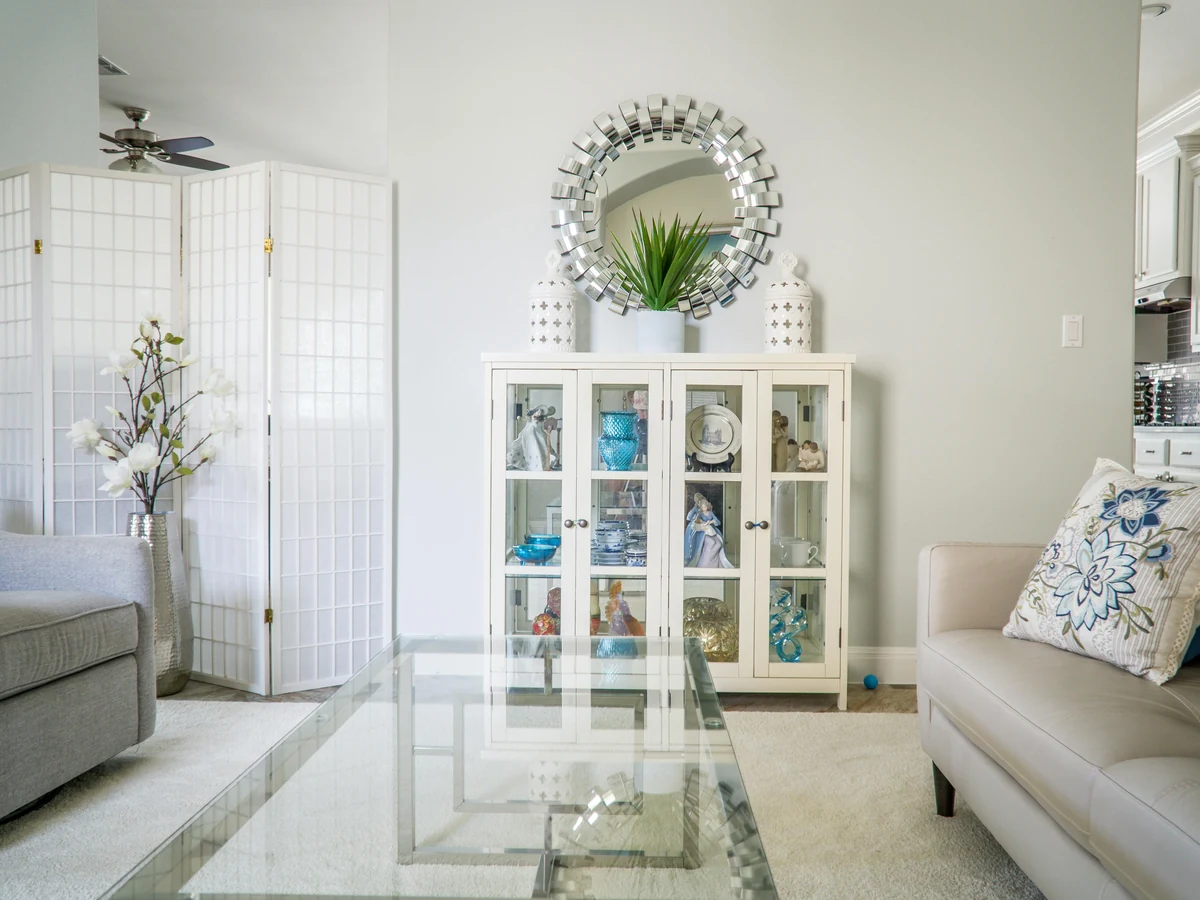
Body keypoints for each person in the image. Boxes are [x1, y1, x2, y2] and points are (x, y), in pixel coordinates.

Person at [684, 492, 734, 568]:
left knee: (718, 543)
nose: (704, 508)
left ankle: (714, 562)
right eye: (703, 506)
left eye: (705, 506)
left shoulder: (710, 513)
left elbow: (717, 521)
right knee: (711, 543)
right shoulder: (698, 512)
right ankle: (705, 563)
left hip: (711, 530)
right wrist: (701, 525)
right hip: (703, 531)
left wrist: (712, 521)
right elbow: (692, 521)